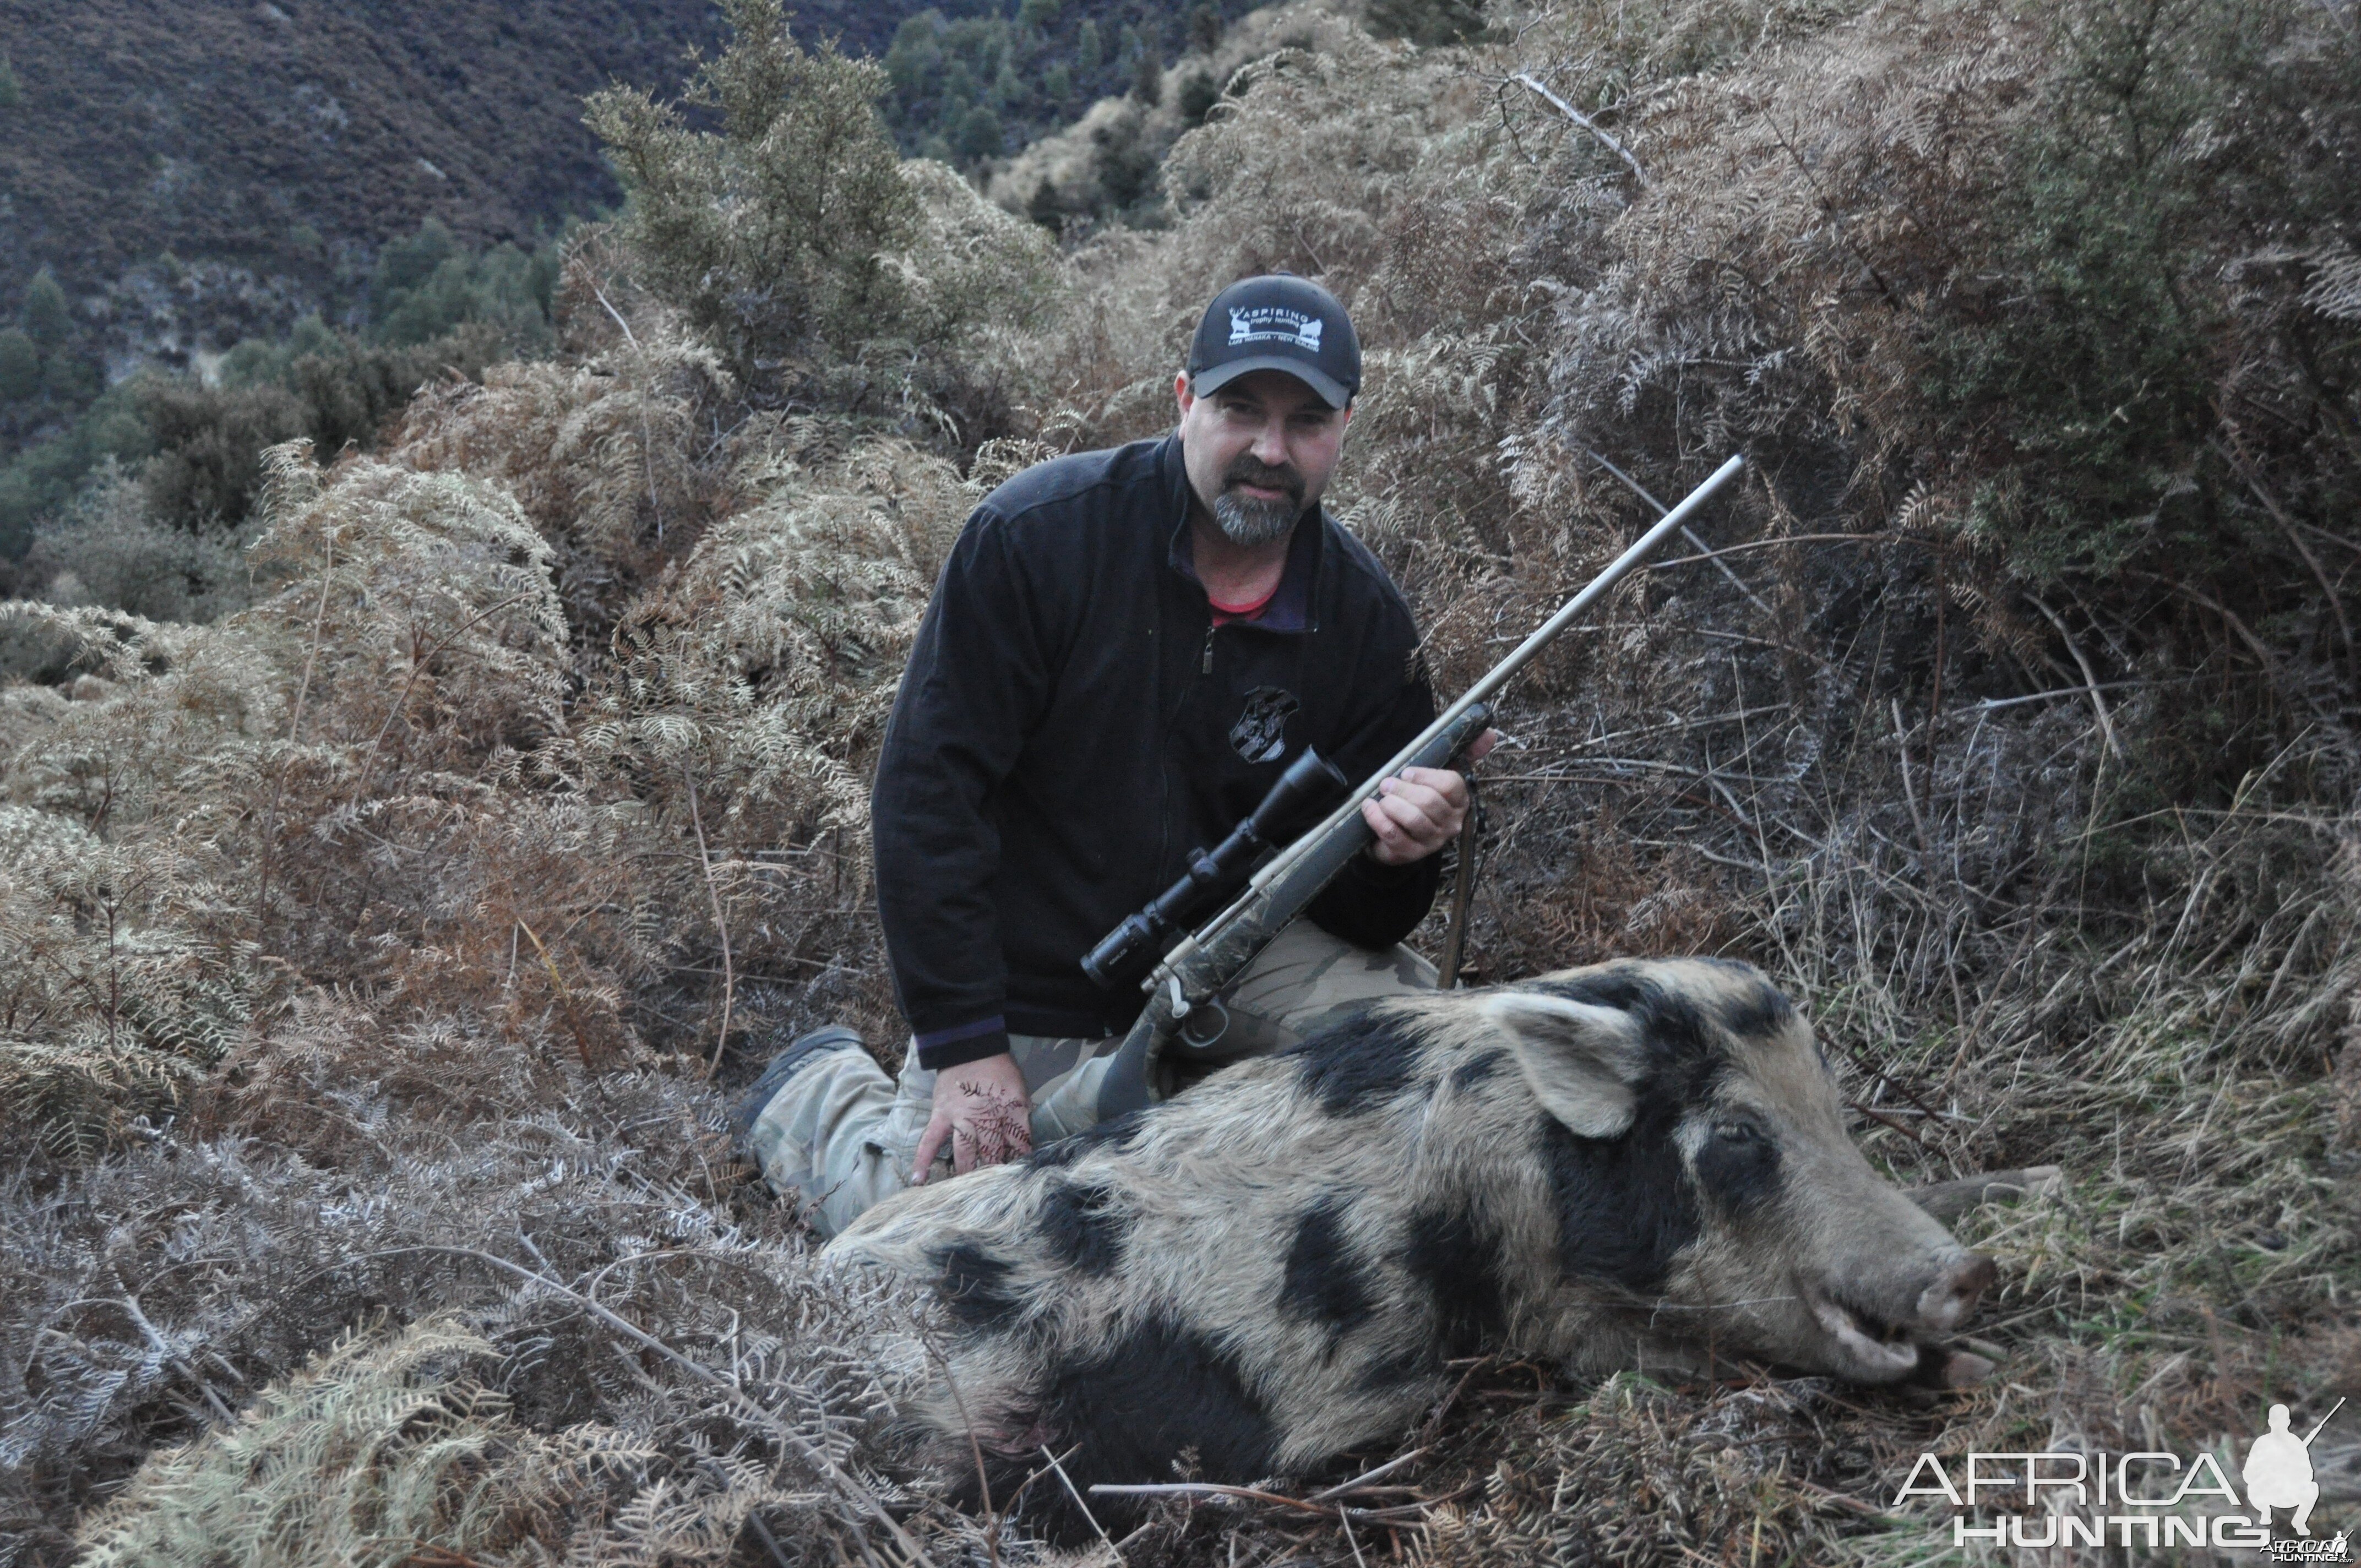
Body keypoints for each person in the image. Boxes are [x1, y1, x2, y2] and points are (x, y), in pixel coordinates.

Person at [731, 274, 1492, 1237]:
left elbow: (1367, 916)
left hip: (1236, 961)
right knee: (938, 1245)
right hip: (1036, 979)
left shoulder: (1367, 622)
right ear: (1184, 402)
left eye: (1307, 420)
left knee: (1434, 1081)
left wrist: (1403, 852)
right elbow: (928, 799)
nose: (1270, 450)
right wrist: (969, 1046)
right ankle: (816, 1099)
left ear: (1345, 425)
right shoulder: (1036, 541)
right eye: (1240, 410)